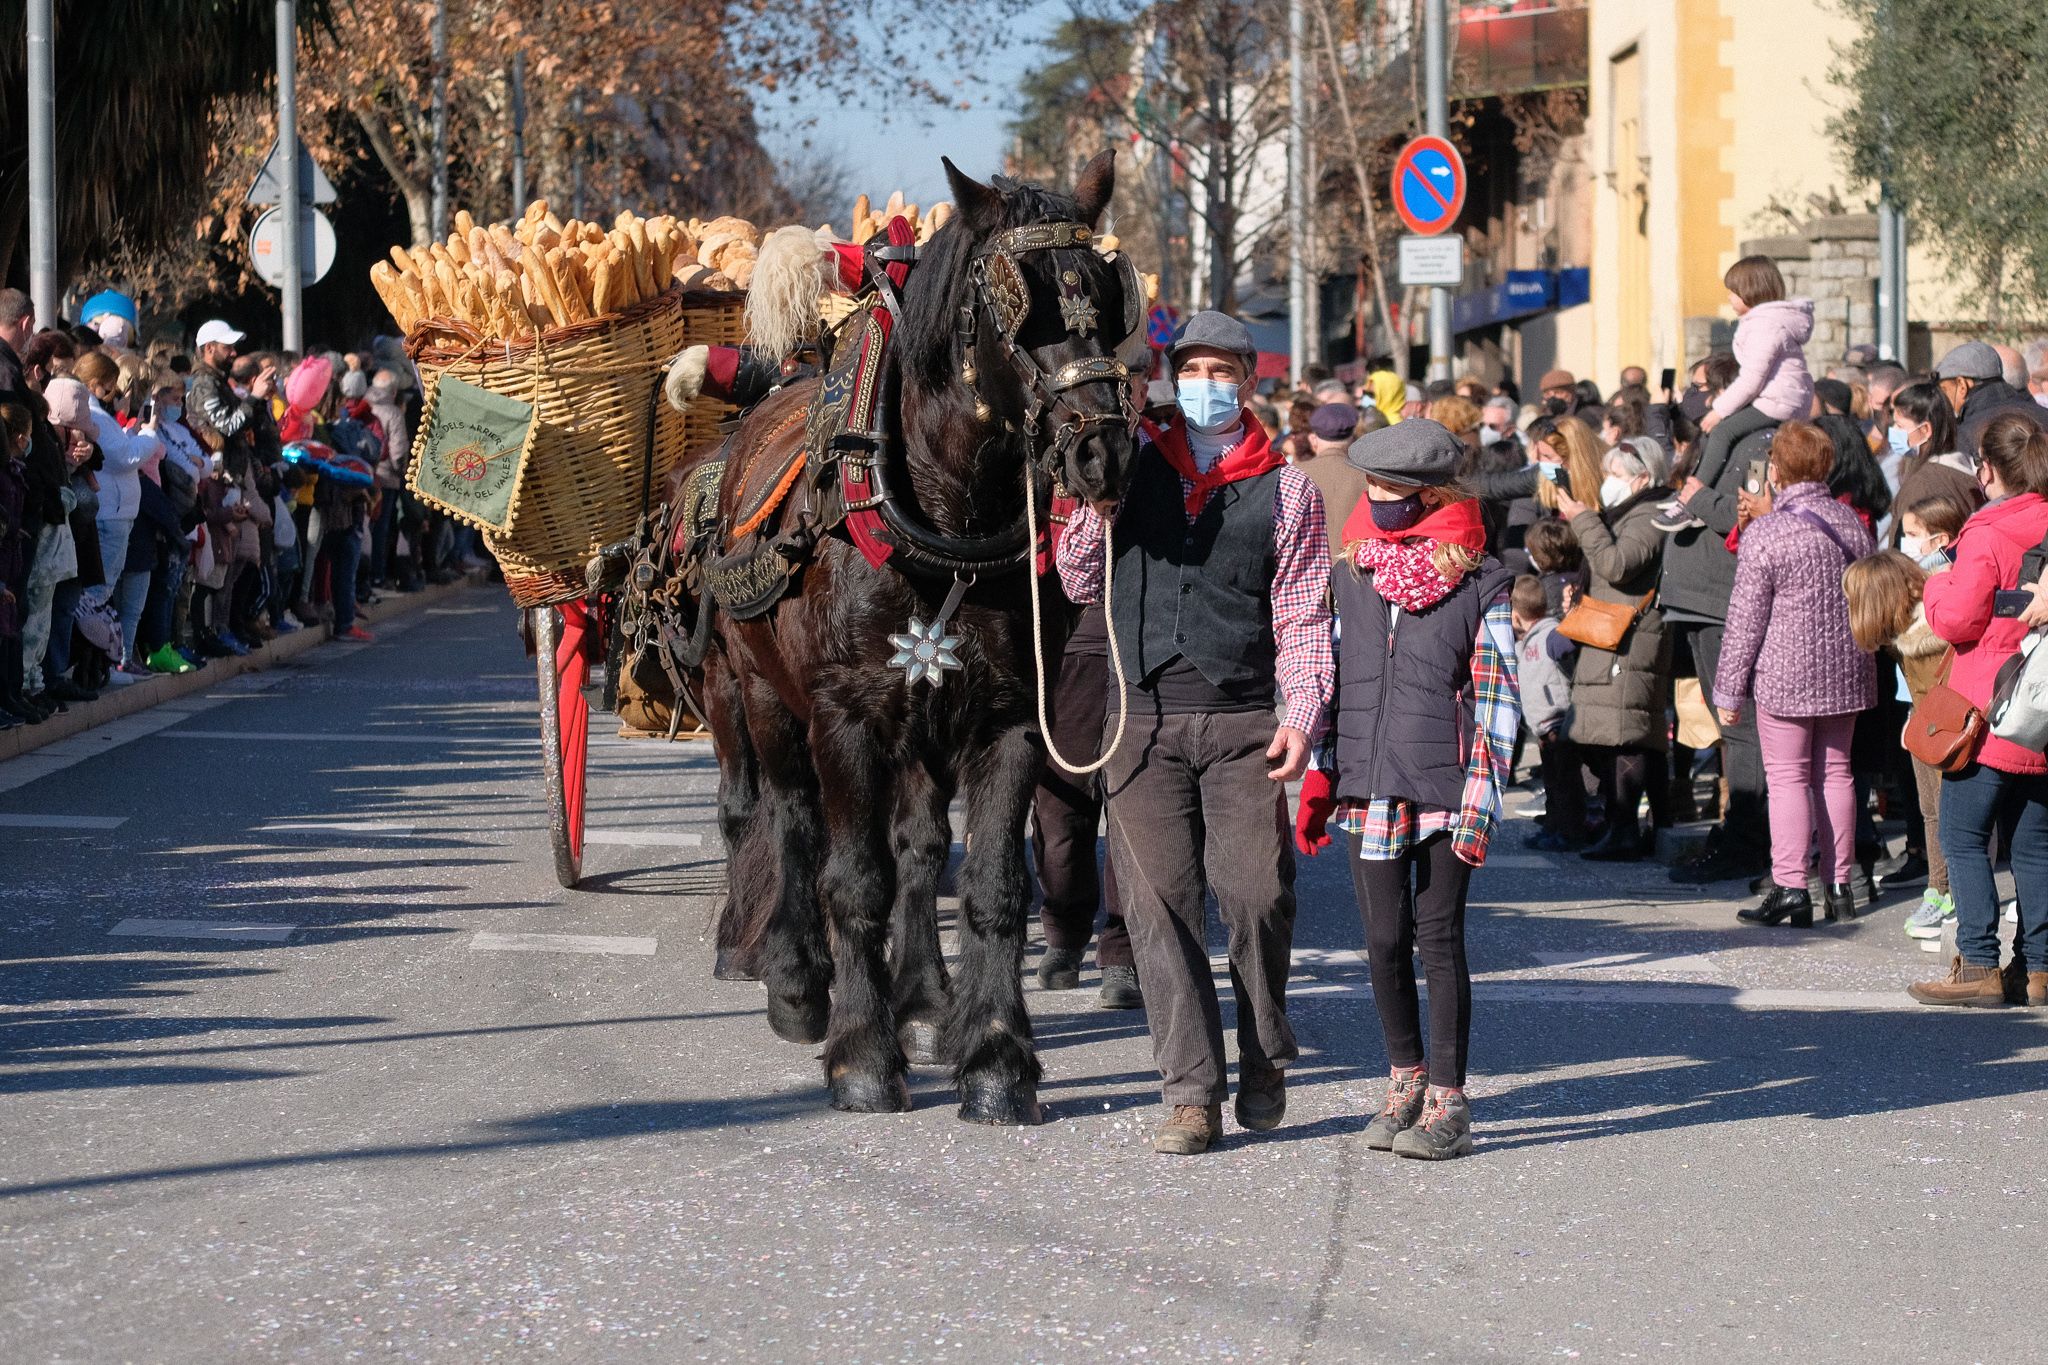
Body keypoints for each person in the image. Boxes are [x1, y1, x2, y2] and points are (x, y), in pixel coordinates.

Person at [1056, 310, 1332, 1156]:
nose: (1206, 383)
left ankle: (1262, 1052)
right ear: (1173, 379)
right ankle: (1190, 1092)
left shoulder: (1289, 488)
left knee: (1257, 893)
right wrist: (1091, 509)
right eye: (1192, 369)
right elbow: (1074, 579)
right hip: (1142, 718)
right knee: (1156, 906)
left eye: (1223, 369)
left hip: (1245, 713)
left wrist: (1302, 714)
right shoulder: (1130, 459)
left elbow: (1303, 612)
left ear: (1250, 381)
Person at [1294, 419, 1518, 1161]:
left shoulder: (1482, 579)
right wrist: (1321, 771)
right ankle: (1405, 1077)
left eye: (1395, 488)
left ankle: (1450, 1099)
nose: (1379, 498)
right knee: (1383, 939)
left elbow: (1499, 698)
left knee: (1439, 938)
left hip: (1448, 783)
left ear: (1431, 495)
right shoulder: (1351, 571)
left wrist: (1484, 803)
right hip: (1369, 783)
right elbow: (1329, 675)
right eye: (1374, 484)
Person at [1712, 421, 1876, 927]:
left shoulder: (1768, 531)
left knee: (1787, 778)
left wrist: (1728, 688)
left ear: (1776, 471)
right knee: (1836, 773)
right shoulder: (1852, 523)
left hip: (1786, 672)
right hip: (1847, 667)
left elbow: (1745, 620)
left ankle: (1789, 887)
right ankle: (1840, 884)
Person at [1909, 415, 2048, 1007]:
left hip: (1984, 707)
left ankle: (1979, 966)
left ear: (1987, 469)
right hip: (2040, 707)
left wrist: (1936, 578)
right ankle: (2040, 970)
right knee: (2035, 846)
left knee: (1965, 838)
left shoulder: (1985, 533)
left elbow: (1956, 620)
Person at [1556, 435, 1672, 861]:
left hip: (1631, 638)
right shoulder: (1633, 509)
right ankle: (1625, 824)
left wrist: (1584, 519)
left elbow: (1618, 564)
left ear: (1643, 477)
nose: (1608, 482)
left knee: (1629, 734)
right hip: (1614, 631)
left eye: (1615, 475)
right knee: (1617, 731)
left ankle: (1625, 829)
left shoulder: (1651, 513)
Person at [1844, 538, 1958, 943]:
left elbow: (1942, 692)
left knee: (1947, 816)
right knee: (1932, 812)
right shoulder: (1907, 629)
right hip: (1927, 724)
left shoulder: (1923, 638)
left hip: (1947, 731)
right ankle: (1940, 889)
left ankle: (1951, 894)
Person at [1698, 256, 1813, 479]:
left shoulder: (1764, 325)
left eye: (1733, 291)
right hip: (1783, 399)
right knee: (1748, 444)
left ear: (1749, 290)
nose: (1729, 297)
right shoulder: (1767, 321)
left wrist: (1719, 411)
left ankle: (1694, 494)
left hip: (1778, 402)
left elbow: (1751, 379)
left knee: (1722, 431)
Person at [1513, 572, 1584, 851]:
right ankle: (1554, 824)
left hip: (1558, 721)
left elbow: (1570, 649)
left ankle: (1570, 830)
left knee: (1566, 781)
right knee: (1553, 781)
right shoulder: (1526, 641)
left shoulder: (1551, 634)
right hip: (1542, 726)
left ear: (1516, 615)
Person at [1887, 380, 1982, 548]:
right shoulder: (1962, 467)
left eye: (1900, 426)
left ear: (1925, 430)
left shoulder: (1923, 484)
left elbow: (1903, 551)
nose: (1893, 431)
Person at [1937, 341, 2047, 461]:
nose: (1944, 399)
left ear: (1962, 385)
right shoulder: (2044, 415)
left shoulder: (1961, 438)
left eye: (1945, 390)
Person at [1296, 402, 1371, 535]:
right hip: (1354, 554)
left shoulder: (1294, 474)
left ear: (1313, 440)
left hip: (1308, 555)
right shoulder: (1370, 477)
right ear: (1353, 438)